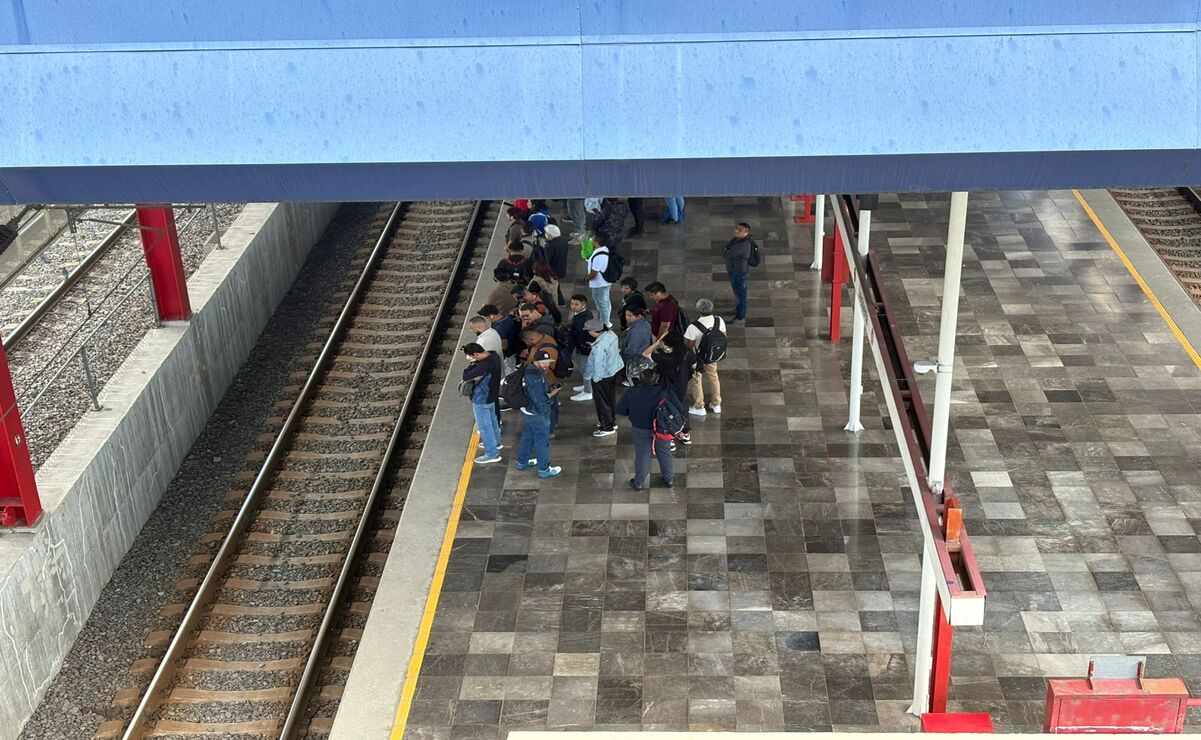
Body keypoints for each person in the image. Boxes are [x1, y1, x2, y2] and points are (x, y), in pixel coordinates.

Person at [616, 367, 684, 490]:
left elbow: (621, 410)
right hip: (662, 428)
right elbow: (679, 408)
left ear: (640, 379)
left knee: (642, 455)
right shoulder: (665, 392)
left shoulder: (632, 393)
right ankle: (668, 480)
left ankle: (639, 482)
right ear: (656, 379)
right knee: (664, 452)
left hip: (640, 428)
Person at [516, 348, 561, 478]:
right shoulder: (535, 376)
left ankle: (522, 462)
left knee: (528, 435)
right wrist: (552, 394)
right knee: (542, 440)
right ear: (536, 361)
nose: (546, 365)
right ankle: (544, 469)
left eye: (548, 362)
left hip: (528, 410)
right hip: (537, 412)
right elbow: (540, 399)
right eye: (543, 362)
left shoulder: (529, 369)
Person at [462, 343, 503, 464]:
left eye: (472, 357)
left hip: (481, 397)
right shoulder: (494, 355)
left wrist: (471, 365)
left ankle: (492, 454)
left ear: (476, 354)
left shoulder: (484, 365)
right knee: (493, 420)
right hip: (492, 394)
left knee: (485, 426)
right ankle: (496, 443)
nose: (472, 359)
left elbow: (466, 376)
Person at [684, 298, 725, 416]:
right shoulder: (719, 320)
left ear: (698, 310)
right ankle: (716, 404)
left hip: (698, 358)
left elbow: (689, 345)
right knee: (714, 377)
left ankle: (699, 406)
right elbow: (723, 337)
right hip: (712, 356)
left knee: (697, 380)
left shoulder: (693, 327)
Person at [582, 318, 623, 436]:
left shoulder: (599, 348)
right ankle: (611, 421)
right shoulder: (611, 335)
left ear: (593, 331)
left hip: (602, 376)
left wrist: (596, 379)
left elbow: (598, 365)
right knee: (610, 398)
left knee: (601, 402)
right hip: (613, 371)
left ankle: (607, 427)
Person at [723, 221, 756, 324]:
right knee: (738, 293)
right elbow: (726, 249)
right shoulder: (736, 240)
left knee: (741, 295)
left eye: (739, 230)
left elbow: (726, 254)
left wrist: (726, 250)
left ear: (746, 232)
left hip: (738, 272)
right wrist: (726, 250)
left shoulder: (743, 244)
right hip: (733, 270)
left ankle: (740, 317)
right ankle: (738, 309)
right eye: (736, 228)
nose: (736, 231)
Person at [565, 295, 594, 400]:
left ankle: (588, 392)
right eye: (572, 303)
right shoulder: (584, 313)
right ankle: (587, 385)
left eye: (576, 304)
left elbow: (580, 334)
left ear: (583, 305)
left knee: (585, 369)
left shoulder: (583, 318)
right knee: (583, 368)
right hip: (579, 347)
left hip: (582, 348)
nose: (573, 306)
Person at [586, 234, 615, 328]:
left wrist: (586, 278)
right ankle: (605, 319)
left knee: (602, 303)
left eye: (593, 238)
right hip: (605, 281)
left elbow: (594, 273)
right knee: (605, 301)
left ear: (596, 242)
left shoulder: (599, 256)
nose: (591, 239)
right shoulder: (605, 249)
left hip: (599, 283)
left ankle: (606, 323)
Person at [620, 307, 653, 385]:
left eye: (630, 316)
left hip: (636, 358)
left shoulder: (637, 332)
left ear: (638, 316)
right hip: (643, 352)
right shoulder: (644, 323)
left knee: (633, 378)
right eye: (626, 315)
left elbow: (631, 350)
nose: (627, 317)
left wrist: (622, 359)